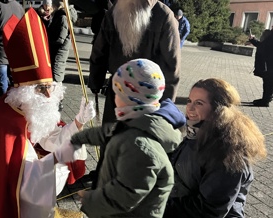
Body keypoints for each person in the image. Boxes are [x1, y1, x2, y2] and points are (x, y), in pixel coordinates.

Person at [0, 8, 96, 218]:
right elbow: (27, 185)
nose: (49, 95)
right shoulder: (3, 122)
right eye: (41, 88)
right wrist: (59, 161)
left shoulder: (31, 107)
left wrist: (77, 124)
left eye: (50, 86)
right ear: (25, 90)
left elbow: (49, 139)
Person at [67, 58, 186, 217]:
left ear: (130, 98)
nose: (114, 99)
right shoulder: (139, 123)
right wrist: (79, 138)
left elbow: (124, 196)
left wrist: (89, 200)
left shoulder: (139, 145)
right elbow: (110, 132)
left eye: (117, 93)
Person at [164, 78, 267, 218]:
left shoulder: (227, 152)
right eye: (189, 101)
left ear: (218, 110)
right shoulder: (196, 132)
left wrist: (158, 204)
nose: (190, 108)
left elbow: (208, 210)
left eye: (199, 103)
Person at [88, 0, 181, 125]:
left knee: (134, 138)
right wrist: (95, 81)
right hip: (118, 91)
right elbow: (100, 50)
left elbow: (171, 63)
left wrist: (166, 104)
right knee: (113, 137)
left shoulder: (164, 15)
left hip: (147, 95)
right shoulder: (114, 11)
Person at [43, 0, 77, 110]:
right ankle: (56, 100)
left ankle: (58, 102)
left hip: (58, 53)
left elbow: (60, 38)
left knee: (56, 77)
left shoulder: (63, 17)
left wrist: (47, 40)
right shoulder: (61, 15)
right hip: (58, 52)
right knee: (56, 76)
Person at [249, 29, 273, 107]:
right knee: (268, 82)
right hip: (269, 64)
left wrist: (253, 40)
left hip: (269, 64)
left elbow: (264, 47)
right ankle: (266, 99)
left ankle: (265, 100)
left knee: (268, 82)